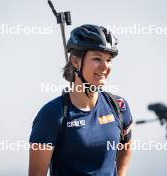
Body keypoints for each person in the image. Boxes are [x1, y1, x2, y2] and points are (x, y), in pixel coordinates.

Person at [29, 24, 133, 176]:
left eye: (109, 59)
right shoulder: (51, 114)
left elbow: (126, 147)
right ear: (75, 61)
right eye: (97, 58)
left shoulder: (119, 106)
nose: (105, 66)